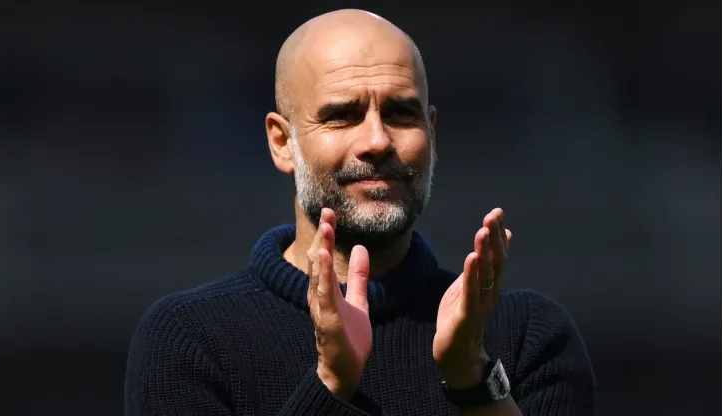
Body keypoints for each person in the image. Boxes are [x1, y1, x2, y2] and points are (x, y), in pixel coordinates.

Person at [125, 9, 595, 416]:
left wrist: (473, 376)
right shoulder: (191, 339)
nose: (377, 141)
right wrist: (330, 386)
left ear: (432, 134)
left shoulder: (527, 334)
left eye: (401, 113)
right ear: (282, 141)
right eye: (342, 115)